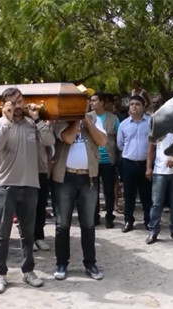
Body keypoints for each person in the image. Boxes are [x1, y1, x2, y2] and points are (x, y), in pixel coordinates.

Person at [0, 87, 55, 293]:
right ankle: (0, 274)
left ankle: (28, 271)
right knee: (2, 234)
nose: (17, 106)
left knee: (28, 233)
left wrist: (37, 119)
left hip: (30, 185)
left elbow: (49, 141)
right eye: (12, 103)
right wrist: (7, 122)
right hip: (5, 186)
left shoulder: (32, 124)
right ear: (5, 104)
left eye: (19, 101)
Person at [51, 108, 107, 281]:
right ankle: (62, 263)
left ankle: (90, 263)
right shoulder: (60, 119)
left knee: (88, 224)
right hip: (65, 177)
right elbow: (68, 138)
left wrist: (87, 121)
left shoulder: (94, 119)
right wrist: (76, 119)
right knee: (63, 224)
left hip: (88, 177)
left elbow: (102, 140)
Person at [117, 95, 152, 233]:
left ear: (143, 106)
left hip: (145, 164)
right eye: (131, 104)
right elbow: (120, 145)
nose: (134, 106)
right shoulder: (124, 124)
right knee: (128, 194)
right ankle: (128, 221)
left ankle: (148, 221)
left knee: (146, 195)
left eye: (137, 104)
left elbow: (153, 144)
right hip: (128, 164)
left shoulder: (150, 122)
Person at [146, 133, 173, 244]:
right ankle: (153, 231)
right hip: (159, 171)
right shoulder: (157, 129)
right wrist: (148, 167)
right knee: (156, 203)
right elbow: (151, 149)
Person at [89, 93, 119, 228]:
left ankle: (109, 217)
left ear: (102, 102)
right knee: (93, 190)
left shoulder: (113, 119)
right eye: (91, 101)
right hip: (93, 160)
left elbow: (120, 138)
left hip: (108, 160)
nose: (91, 103)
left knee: (108, 190)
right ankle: (94, 216)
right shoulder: (88, 117)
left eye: (94, 100)